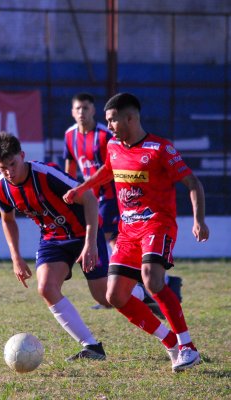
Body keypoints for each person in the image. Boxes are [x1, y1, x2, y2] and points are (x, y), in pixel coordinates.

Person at [64, 93, 210, 372]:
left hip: (157, 224)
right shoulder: (115, 147)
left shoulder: (160, 149)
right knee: (115, 296)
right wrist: (80, 189)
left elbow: (193, 183)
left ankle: (188, 347)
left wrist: (198, 220)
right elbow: (106, 172)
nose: (109, 126)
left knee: (152, 280)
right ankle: (170, 342)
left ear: (129, 117)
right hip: (128, 231)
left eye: (112, 120)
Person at [0, 131, 107, 361]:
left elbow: (90, 198)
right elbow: (8, 220)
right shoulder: (0, 189)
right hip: (53, 238)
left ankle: (142, 292)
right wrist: (16, 258)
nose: (9, 172)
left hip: (84, 233)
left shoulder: (46, 174)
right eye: (2, 168)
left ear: (22, 155)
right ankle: (92, 347)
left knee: (105, 297)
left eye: (13, 164)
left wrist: (91, 243)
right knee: (45, 288)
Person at [63, 92, 184, 312]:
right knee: (110, 241)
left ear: (93, 110)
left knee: (108, 238)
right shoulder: (69, 135)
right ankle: (151, 285)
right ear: (72, 112)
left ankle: (132, 288)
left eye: (86, 108)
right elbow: (71, 166)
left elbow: (111, 169)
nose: (82, 113)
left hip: (112, 196)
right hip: (91, 196)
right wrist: (75, 189)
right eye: (77, 108)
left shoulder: (105, 136)